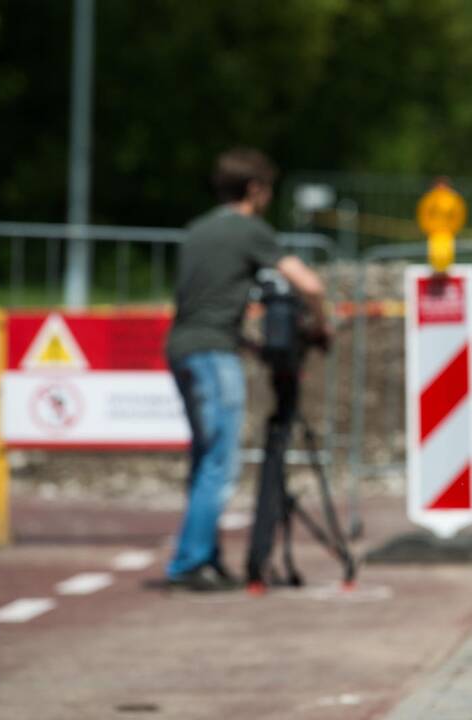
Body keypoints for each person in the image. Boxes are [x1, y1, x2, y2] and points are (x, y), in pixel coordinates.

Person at [163, 148, 328, 591]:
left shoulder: (196, 231)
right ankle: (190, 563)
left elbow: (201, 304)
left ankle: (207, 556)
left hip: (182, 349)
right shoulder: (249, 230)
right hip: (214, 354)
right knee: (220, 460)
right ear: (255, 189)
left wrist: (250, 343)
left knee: (204, 457)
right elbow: (310, 284)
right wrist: (321, 323)